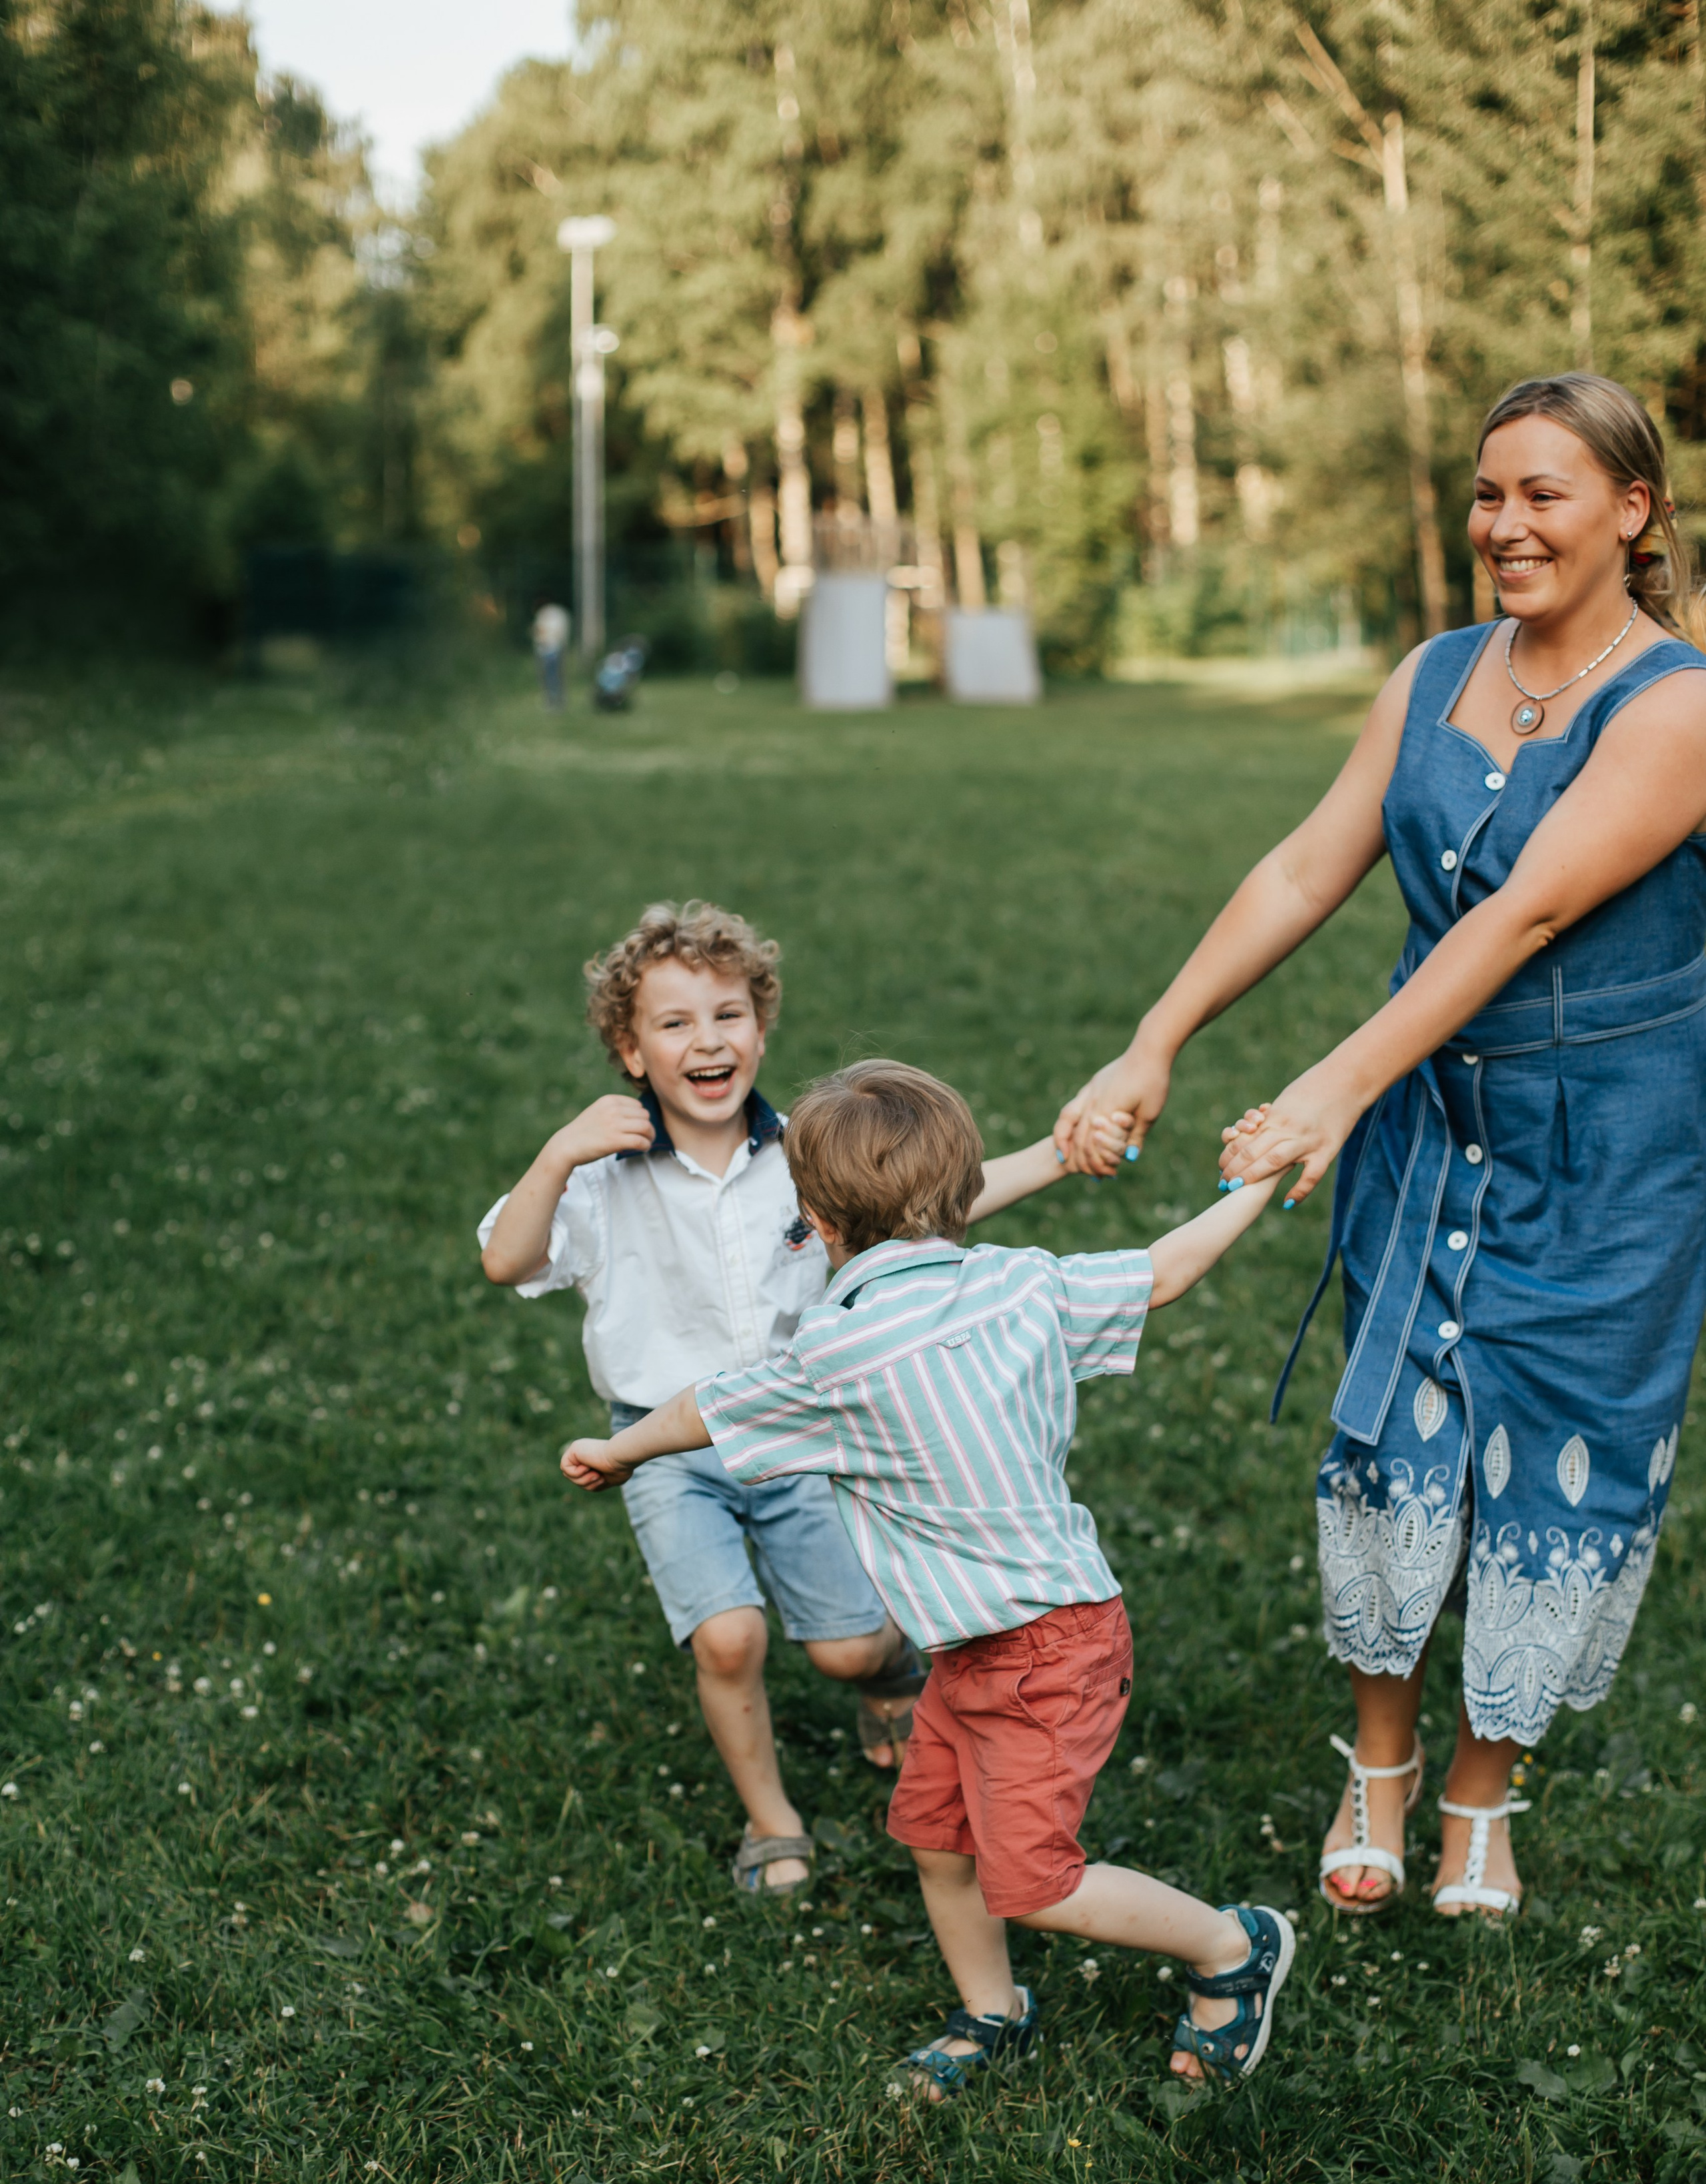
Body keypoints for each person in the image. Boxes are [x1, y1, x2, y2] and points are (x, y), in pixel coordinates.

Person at [1058, 373, 1706, 1924]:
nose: (1503, 525)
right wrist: (1159, 1033)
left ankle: (1482, 1792)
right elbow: (1303, 864)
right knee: (1393, 1447)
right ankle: (1381, 1765)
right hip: (1430, 1129)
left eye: (1543, 493)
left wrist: (1335, 1081)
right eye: (1486, 493)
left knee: (1554, 1457)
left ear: (1632, 510)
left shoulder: (1677, 703)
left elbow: (1527, 907)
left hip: (1606, 1152)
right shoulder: (1429, 673)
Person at [562, 1060, 1295, 2093]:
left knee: (1033, 1881)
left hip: (1045, 1646)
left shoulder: (832, 1355)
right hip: (991, 1643)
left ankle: (1232, 1946)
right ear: (961, 1191)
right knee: (938, 1836)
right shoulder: (1021, 1283)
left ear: (815, 1220)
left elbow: (712, 1407)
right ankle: (993, 2011)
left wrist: (624, 1450)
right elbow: (1164, 1270)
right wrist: (1256, 1181)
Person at [480, 904, 1131, 1898]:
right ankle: (772, 1819)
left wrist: (1054, 1154)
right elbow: (504, 1259)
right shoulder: (600, 1173)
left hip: (806, 1429)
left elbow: (931, 1208)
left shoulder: (805, 1155)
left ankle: (884, 1676)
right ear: (628, 1047)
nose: (708, 1041)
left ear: (762, 1027)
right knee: (729, 1636)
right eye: (674, 1022)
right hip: (665, 1444)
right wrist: (557, 1154)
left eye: (729, 1015)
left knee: (841, 1645)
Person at [530, 600, 569, 709]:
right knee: (552, 677)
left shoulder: (547, 615)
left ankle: (555, 701)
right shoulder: (557, 614)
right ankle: (554, 701)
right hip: (549, 650)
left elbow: (540, 632)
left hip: (551, 650)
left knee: (552, 677)